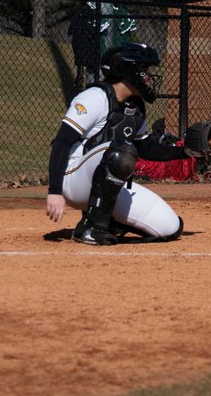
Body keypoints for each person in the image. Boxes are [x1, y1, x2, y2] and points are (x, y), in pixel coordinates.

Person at [45, 42, 197, 245]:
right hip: (72, 178)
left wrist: (186, 151)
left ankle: (107, 220)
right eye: (144, 70)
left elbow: (146, 148)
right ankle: (91, 229)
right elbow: (62, 142)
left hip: (106, 181)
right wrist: (54, 191)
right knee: (121, 149)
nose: (149, 76)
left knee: (170, 228)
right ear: (128, 70)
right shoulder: (94, 97)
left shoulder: (135, 106)